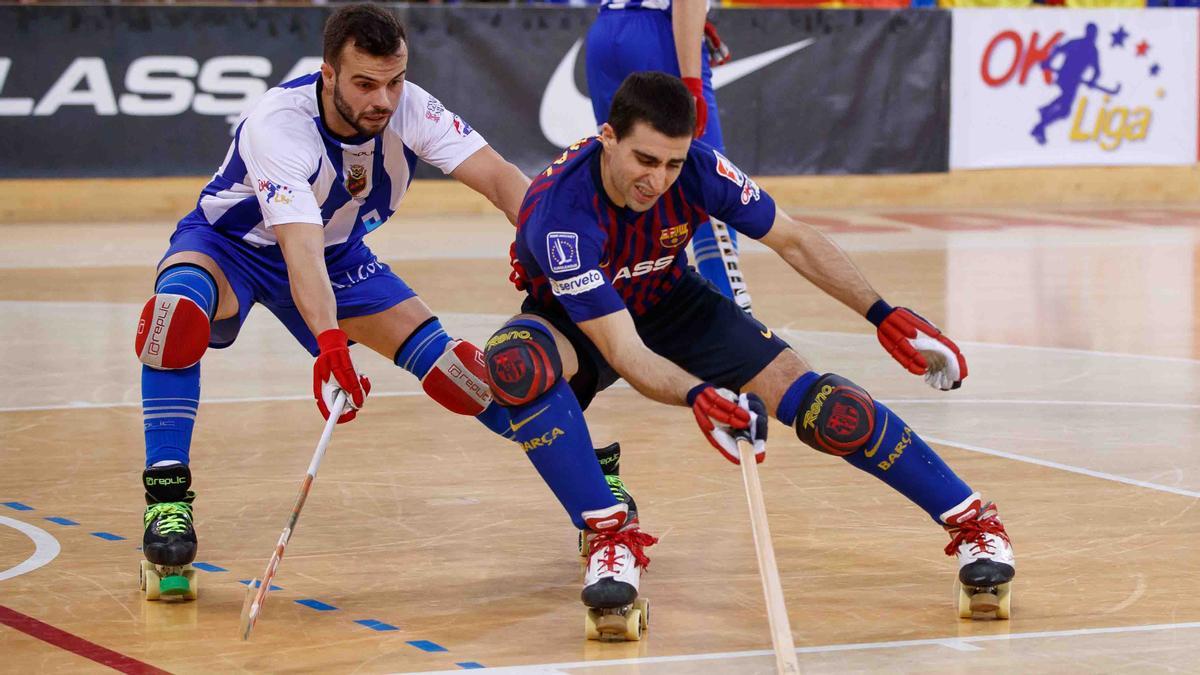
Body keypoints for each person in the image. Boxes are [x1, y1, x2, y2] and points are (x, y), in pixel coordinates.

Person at [491, 72, 1015, 636]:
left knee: (834, 411)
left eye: (672, 164)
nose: (658, 180)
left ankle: (974, 524)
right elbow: (623, 350)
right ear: (607, 137)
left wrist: (882, 312)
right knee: (517, 367)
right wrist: (698, 394)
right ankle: (609, 533)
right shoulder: (559, 215)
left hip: (669, 297)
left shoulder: (699, 169)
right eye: (645, 160)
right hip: (578, 321)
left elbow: (792, 237)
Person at [133, 4, 530, 599]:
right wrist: (329, 346)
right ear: (328, 74)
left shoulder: (412, 108)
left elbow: (501, 179)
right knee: (174, 321)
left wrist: (552, 249)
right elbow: (299, 254)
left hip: (337, 253)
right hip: (232, 245)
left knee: (459, 376)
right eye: (365, 84)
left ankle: (583, 461)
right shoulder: (279, 123)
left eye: (394, 81)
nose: (383, 100)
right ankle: (166, 499)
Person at [585, 0, 751, 313]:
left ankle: (613, 310)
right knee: (709, 179)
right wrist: (691, 82)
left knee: (622, 171)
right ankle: (731, 312)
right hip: (658, 34)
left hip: (605, 32)